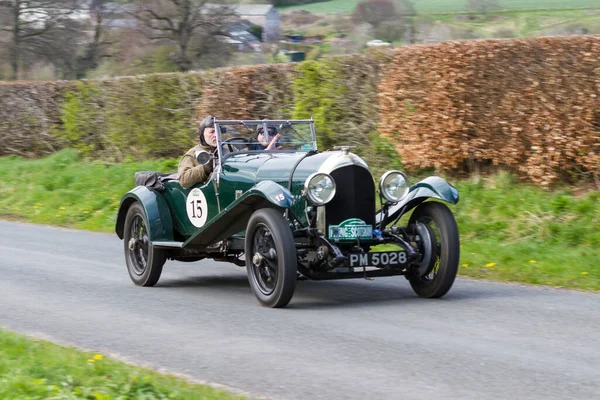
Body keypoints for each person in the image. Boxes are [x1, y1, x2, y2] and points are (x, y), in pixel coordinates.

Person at [178, 115, 217, 188]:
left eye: (218, 131)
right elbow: (183, 180)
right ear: (202, 134)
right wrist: (205, 168)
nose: (216, 135)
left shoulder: (228, 149)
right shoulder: (193, 153)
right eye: (212, 132)